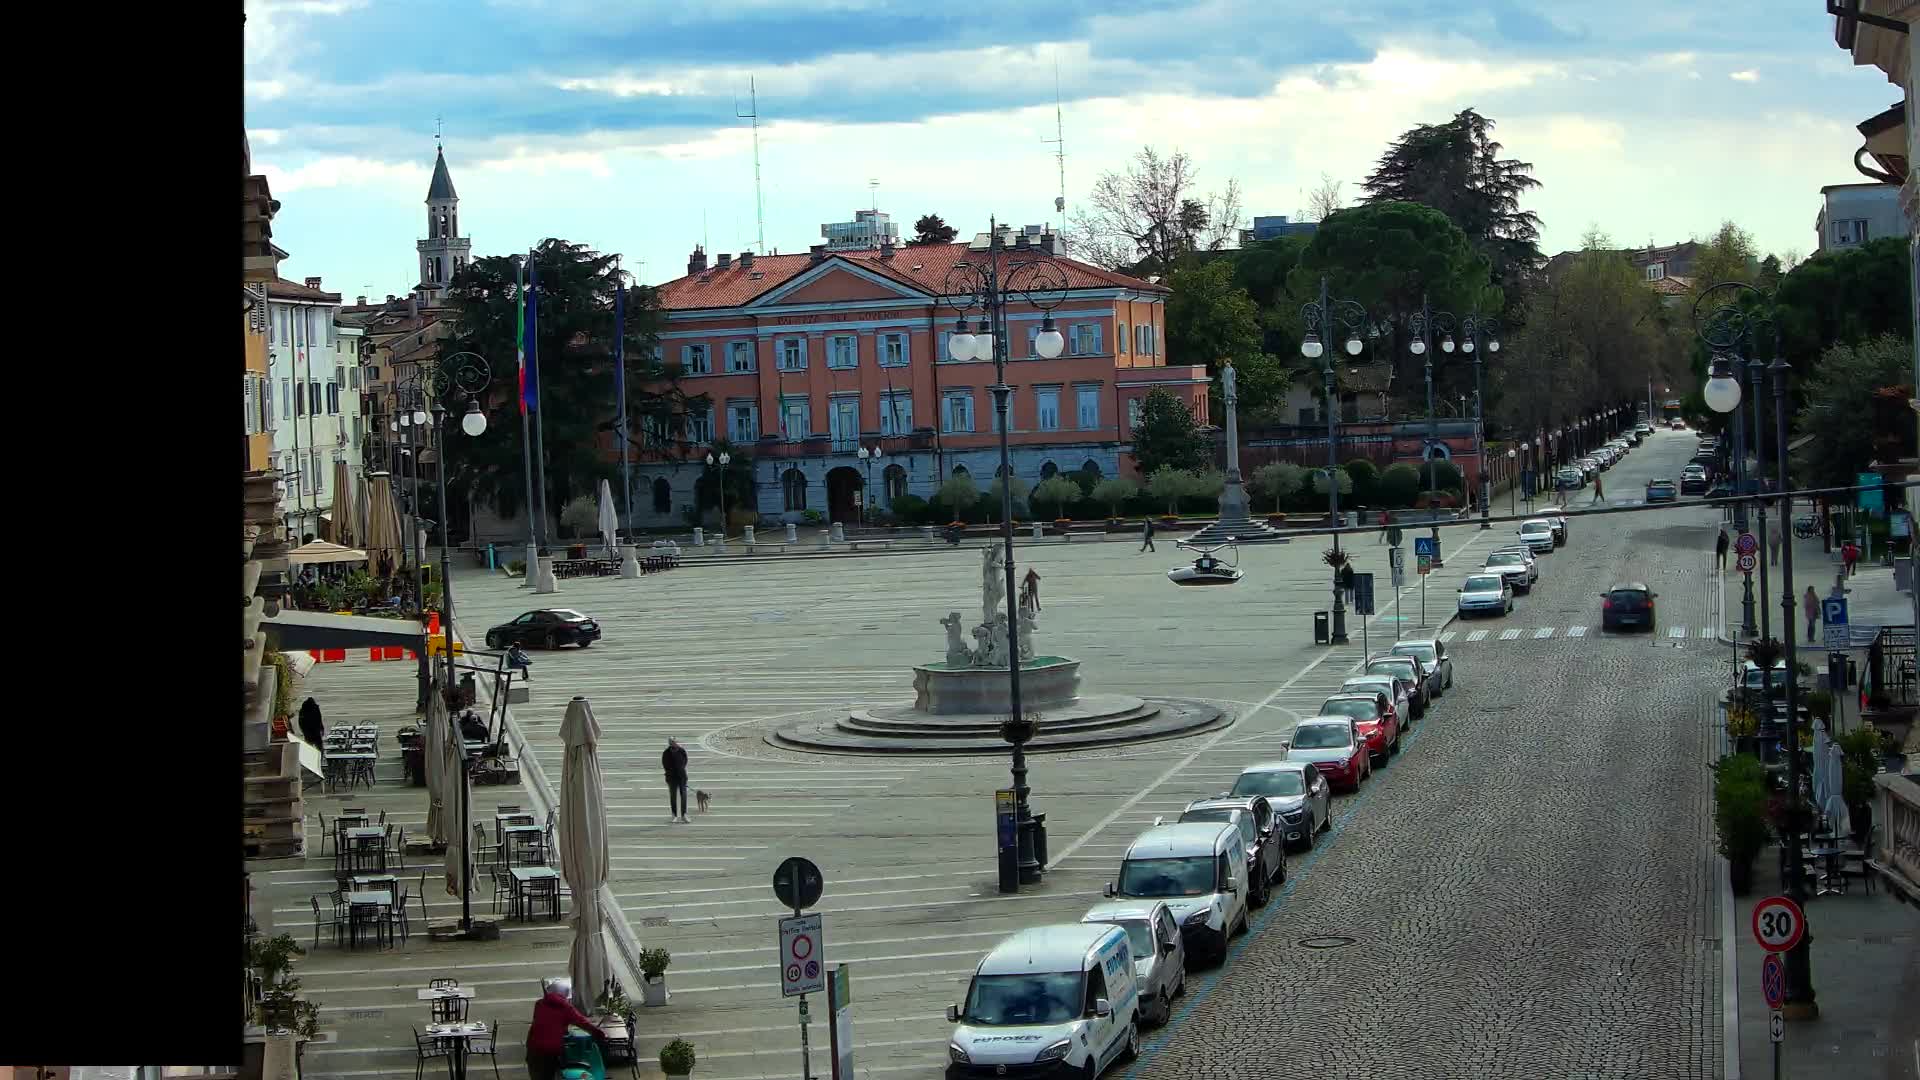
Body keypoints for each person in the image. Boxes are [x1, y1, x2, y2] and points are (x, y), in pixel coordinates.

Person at [526, 977, 607, 1080]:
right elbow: (583, 1023)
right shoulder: (566, 1009)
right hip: (550, 1052)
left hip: (533, 1048)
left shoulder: (539, 1004)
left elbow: (544, 1023)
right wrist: (599, 1033)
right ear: (564, 994)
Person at [663, 737, 690, 824]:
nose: (674, 743)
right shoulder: (666, 753)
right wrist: (671, 773)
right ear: (670, 743)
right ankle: (674, 815)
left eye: (675, 741)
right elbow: (665, 765)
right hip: (672, 778)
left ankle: (684, 815)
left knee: (684, 797)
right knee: (673, 797)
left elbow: (685, 761)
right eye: (672, 742)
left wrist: (681, 770)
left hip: (682, 777)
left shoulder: (682, 751)